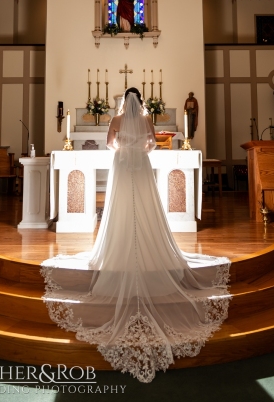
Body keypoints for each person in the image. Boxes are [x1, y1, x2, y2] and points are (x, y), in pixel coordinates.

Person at [41, 88, 230, 383]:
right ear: (141, 102)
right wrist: (138, 152)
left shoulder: (116, 118)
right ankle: (150, 245)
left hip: (122, 164)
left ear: (122, 102)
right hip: (141, 165)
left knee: (119, 207)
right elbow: (152, 145)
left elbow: (109, 144)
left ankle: (118, 248)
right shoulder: (145, 120)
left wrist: (123, 152)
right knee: (146, 205)